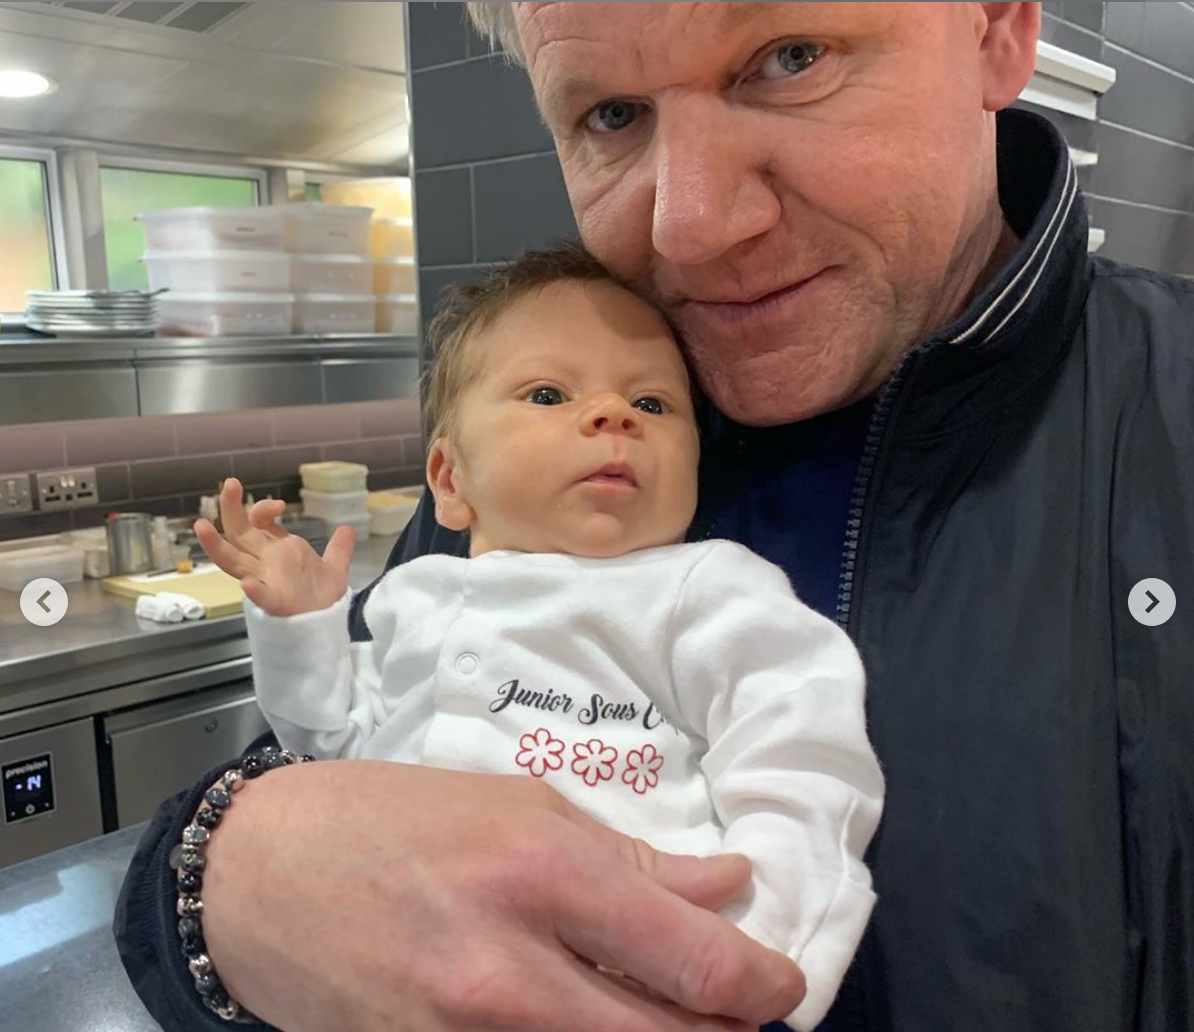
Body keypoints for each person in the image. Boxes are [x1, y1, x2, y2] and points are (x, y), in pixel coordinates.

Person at [115, 4, 1194, 1031]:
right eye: (613, 116)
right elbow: (347, 754)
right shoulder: (549, 477)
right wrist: (218, 882)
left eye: (791, 57)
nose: (692, 227)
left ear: (996, 27)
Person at [193, 246, 885, 1031]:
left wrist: (763, 948)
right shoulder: (412, 599)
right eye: (550, 393)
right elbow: (332, 750)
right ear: (450, 482)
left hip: (626, 988)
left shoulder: (704, 592)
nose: (613, 415)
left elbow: (803, 754)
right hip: (401, 982)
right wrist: (303, 627)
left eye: (654, 405)